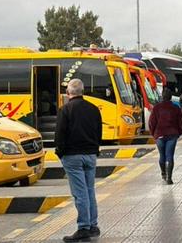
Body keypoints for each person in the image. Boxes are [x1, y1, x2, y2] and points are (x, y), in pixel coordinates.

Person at [55, 79, 102, 242]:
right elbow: (99, 132)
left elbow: (60, 134)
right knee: (90, 190)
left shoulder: (65, 109)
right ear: (83, 91)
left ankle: (83, 227)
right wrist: (95, 149)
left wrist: (60, 152)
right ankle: (93, 226)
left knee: (80, 193)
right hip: (90, 155)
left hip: (72, 156)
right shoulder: (94, 109)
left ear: (68, 93)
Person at [149, 88, 182, 185]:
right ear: (171, 97)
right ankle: (169, 178)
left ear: (162, 96)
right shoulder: (175, 108)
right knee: (170, 156)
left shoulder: (156, 108)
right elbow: (181, 122)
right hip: (172, 135)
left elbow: (151, 122)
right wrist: (179, 132)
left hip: (159, 135)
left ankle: (163, 173)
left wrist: (154, 134)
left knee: (162, 155)